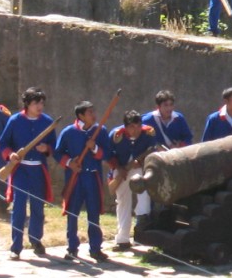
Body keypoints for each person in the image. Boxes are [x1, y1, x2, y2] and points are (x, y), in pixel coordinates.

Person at [0, 88, 56, 260]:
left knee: (37, 207)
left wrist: (46, 148)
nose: (40, 106)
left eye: (42, 103)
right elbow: (3, 143)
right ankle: (16, 245)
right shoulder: (15, 120)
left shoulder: (47, 122)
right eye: (36, 103)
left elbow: (54, 145)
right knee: (19, 207)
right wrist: (11, 155)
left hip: (38, 169)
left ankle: (36, 240)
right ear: (27, 104)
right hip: (20, 170)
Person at [55, 101, 113, 262]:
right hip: (75, 178)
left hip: (92, 177)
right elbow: (58, 153)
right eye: (90, 112)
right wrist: (69, 163)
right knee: (72, 213)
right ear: (80, 115)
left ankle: (95, 248)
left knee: (93, 214)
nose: (94, 115)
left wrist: (94, 148)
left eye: (94, 111)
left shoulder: (100, 132)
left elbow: (107, 154)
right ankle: (72, 248)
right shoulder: (69, 132)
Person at [108, 111, 158, 250]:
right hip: (122, 168)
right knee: (123, 201)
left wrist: (141, 163)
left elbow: (152, 151)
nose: (135, 130)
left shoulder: (148, 133)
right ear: (126, 127)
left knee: (144, 198)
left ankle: (141, 233)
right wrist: (120, 168)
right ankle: (123, 239)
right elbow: (108, 155)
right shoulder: (116, 135)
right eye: (132, 127)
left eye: (138, 126)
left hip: (140, 168)